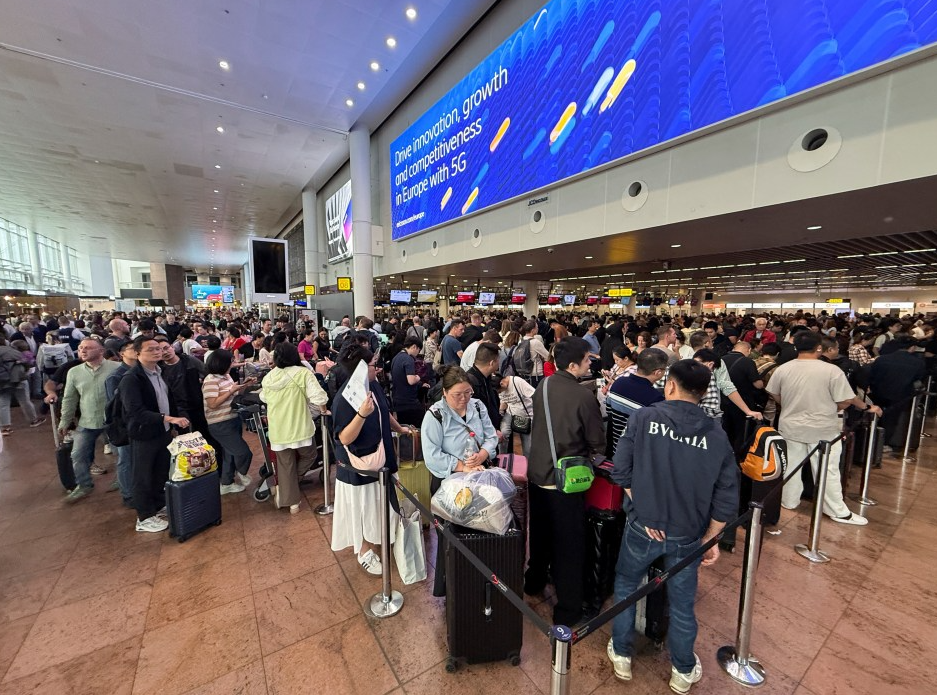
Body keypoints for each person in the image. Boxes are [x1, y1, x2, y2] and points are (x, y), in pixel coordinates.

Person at [607, 360, 739, 694]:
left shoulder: (645, 417)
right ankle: (682, 669)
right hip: (688, 533)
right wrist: (711, 538)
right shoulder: (716, 434)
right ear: (705, 392)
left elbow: (621, 470)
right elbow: (727, 493)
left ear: (669, 385)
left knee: (626, 585)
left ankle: (621, 653)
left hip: (642, 526)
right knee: (682, 603)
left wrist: (646, 511)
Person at [524, 337, 605, 626]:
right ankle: (568, 608)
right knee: (569, 546)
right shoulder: (584, 396)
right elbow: (597, 440)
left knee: (541, 533)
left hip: (538, 473)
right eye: (586, 360)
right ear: (572, 364)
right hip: (565, 480)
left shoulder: (543, 386)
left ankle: (533, 582)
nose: (589, 364)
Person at [767, 331, 881, 525]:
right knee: (827, 470)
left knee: (790, 467)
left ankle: (788, 501)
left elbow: (775, 394)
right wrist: (827, 407)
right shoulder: (831, 371)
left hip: (790, 425)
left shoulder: (783, 368)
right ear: (818, 348)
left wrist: (791, 405)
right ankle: (836, 510)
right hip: (822, 428)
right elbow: (845, 400)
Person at [331, 343, 408, 574]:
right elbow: (344, 437)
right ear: (361, 369)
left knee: (378, 504)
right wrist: (362, 414)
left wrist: (400, 429)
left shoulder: (372, 386)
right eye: (374, 365)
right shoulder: (346, 398)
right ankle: (364, 549)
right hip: (360, 465)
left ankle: (378, 538)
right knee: (363, 508)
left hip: (381, 458)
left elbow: (384, 412)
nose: (379, 368)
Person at [422, 364, 499, 595]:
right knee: (452, 538)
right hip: (450, 485)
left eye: (467, 393)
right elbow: (432, 455)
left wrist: (482, 455)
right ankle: (453, 585)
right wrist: (462, 466)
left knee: (480, 533)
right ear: (444, 393)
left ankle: (478, 580)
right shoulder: (435, 415)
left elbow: (491, 436)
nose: (464, 399)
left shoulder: (478, 406)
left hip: (479, 478)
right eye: (457, 395)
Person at [120, 335, 190, 532]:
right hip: (144, 433)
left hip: (163, 431)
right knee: (143, 475)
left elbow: (169, 399)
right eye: (150, 349)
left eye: (158, 348)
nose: (157, 352)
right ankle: (144, 517)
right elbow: (135, 411)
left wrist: (174, 422)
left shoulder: (161, 372)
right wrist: (168, 419)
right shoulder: (132, 378)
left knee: (160, 470)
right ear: (137, 353)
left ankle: (158, 505)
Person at [260, 341, 329, 512]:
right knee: (310, 454)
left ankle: (291, 501)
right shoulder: (302, 373)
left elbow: (264, 397)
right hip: (300, 426)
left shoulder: (269, 377)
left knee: (285, 464)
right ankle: (287, 488)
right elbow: (319, 397)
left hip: (278, 428)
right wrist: (324, 410)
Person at [58, 338, 119, 501]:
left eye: (88, 348)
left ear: (101, 351)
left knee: (119, 452)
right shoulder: (74, 372)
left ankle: (122, 479)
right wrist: (65, 420)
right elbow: (69, 398)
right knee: (78, 454)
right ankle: (84, 484)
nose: (83, 351)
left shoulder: (116, 368)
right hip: (88, 420)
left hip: (113, 420)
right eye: (80, 348)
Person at [202, 349, 256, 495]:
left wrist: (245, 385)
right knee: (242, 452)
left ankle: (226, 483)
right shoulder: (210, 380)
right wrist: (231, 391)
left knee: (230, 453)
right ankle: (242, 472)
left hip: (232, 418)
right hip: (220, 423)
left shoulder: (225, 376)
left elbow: (233, 394)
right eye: (230, 361)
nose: (233, 364)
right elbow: (212, 404)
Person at [869, 336, 927, 452]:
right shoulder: (918, 363)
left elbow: (872, 375)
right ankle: (885, 444)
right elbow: (919, 379)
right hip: (901, 395)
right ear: (912, 348)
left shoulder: (882, 359)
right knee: (892, 419)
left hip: (878, 392)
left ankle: (870, 440)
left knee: (875, 417)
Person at [104, 341, 138, 508]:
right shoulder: (116, 377)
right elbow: (117, 406)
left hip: (138, 424)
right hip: (124, 426)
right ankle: (128, 494)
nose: (136, 351)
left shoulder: (141, 371)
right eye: (132, 349)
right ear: (122, 353)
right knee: (125, 459)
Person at [0, 335, 45, 436]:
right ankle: (33, 420)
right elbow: (27, 361)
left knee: (3, 403)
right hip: (17, 379)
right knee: (24, 400)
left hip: (1, 382)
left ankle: (5, 428)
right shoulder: (9, 351)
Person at [497, 371, 535, 458]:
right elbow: (504, 402)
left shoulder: (517, 382)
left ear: (502, 383)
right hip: (510, 413)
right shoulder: (499, 388)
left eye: (500, 391)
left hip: (525, 415)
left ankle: (528, 465)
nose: (500, 393)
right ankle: (502, 458)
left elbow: (534, 394)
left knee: (527, 446)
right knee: (503, 434)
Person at [391, 336, 424, 426]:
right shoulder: (408, 359)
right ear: (414, 346)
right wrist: (418, 377)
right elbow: (411, 380)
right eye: (418, 350)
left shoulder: (396, 357)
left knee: (404, 428)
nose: (418, 353)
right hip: (409, 401)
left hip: (397, 399)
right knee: (417, 426)